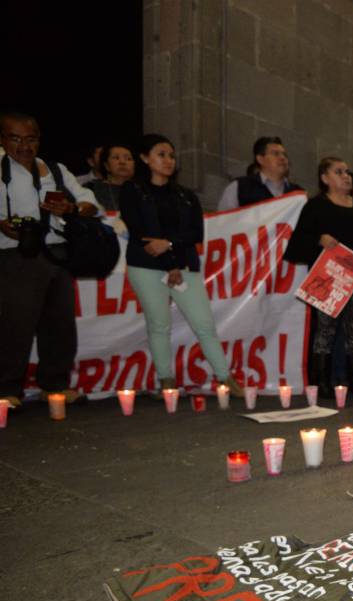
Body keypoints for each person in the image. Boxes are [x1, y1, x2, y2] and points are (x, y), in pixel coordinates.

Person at [119, 134, 242, 396]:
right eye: (161, 154)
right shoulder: (133, 190)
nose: (168, 160)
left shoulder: (186, 195)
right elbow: (141, 233)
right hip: (147, 266)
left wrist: (171, 247)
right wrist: (168, 261)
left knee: (204, 324)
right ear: (145, 158)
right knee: (159, 324)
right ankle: (166, 380)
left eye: (172, 155)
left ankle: (226, 379)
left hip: (185, 266)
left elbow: (195, 234)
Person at [0, 112, 98, 410]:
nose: (24, 145)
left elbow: (91, 202)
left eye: (30, 139)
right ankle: (6, 389)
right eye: (15, 138)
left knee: (60, 325)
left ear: (39, 140)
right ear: (2, 140)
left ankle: (54, 385)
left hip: (57, 253)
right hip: (14, 254)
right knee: (14, 325)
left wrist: (72, 207)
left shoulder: (54, 169)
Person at [283, 157, 353, 397]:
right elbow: (296, 244)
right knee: (325, 331)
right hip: (328, 279)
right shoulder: (316, 207)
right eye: (339, 172)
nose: (346, 176)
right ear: (325, 178)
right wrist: (319, 240)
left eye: (347, 171)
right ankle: (322, 382)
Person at [217, 136, 301, 211]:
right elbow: (224, 222)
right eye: (275, 154)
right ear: (260, 159)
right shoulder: (239, 187)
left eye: (284, 155)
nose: (283, 158)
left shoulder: (298, 193)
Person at [88, 144, 136, 212]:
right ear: (106, 165)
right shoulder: (92, 189)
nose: (122, 162)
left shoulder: (143, 190)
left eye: (128, 159)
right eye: (116, 158)